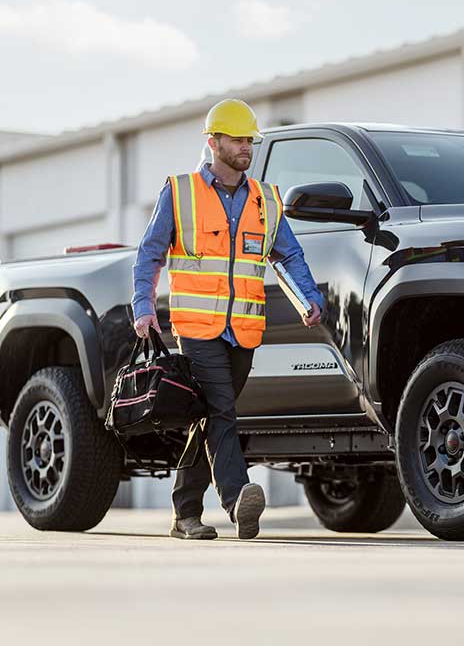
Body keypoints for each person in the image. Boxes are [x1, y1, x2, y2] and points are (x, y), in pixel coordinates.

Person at [131, 98, 324, 540]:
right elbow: (149, 254)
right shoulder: (180, 193)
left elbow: (288, 254)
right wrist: (144, 308)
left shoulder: (265, 199)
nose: (245, 148)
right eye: (236, 140)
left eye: (249, 140)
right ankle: (238, 499)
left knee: (210, 417)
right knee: (221, 411)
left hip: (244, 331)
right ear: (213, 142)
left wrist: (308, 298)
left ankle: (185, 515)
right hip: (197, 329)